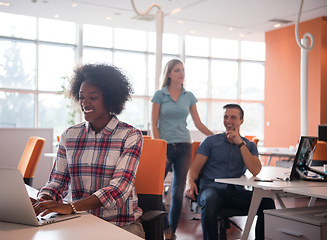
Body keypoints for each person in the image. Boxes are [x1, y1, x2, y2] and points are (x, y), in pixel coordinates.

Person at [33, 64, 145, 238]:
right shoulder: (70, 135)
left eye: (93, 97)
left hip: (121, 225)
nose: (85, 103)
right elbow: (57, 182)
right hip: (79, 222)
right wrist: (43, 200)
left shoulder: (130, 135)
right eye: (81, 97)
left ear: (109, 99)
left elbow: (118, 190)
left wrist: (70, 207)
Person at [185, 104, 275, 240]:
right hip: (211, 189)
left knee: (267, 203)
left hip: (235, 192)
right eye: (226, 117)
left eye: (233, 117)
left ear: (241, 121)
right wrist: (189, 181)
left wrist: (240, 143)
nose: (228, 121)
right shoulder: (210, 141)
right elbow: (195, 168)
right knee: (210, 200)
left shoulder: (249, 145)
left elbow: (255, 170)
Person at [151, 59, 213, 240]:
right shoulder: (160, 95)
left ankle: (172, 233)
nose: (181, 73)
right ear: (169, 73)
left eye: (183, 70)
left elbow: (198, 123)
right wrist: (159, 146)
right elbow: (154, 123)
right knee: (155, 190)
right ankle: (165, 226)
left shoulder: (189, 96)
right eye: (177, 70)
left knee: (178, 194)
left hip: (184, 146)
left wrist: (215, 136)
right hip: (165, 146)